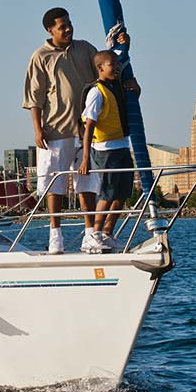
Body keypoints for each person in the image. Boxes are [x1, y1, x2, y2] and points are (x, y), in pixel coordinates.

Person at [23, 7, 138, 254]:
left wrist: (123, 49)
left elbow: (106, 66)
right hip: (55, 129)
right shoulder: (40, 56)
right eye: (62, 27)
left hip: (86, 130)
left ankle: (90, 234)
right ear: (50, 30)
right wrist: (37, 129)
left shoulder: (85, 49)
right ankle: (55, 236)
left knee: (87, 183)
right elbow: (34, 96)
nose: (68, 29)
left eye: (69, 24)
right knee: (55, 184)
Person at [80, 50, 134, 253]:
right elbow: (89, 127)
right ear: (100, 68)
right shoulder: (96, 92)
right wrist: (86, 158)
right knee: (107, 193)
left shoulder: (117, 87)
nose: (117, 68)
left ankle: (107, 234)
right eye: (112, 64)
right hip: (106, 151)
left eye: (117, 64)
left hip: (122, 146)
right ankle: (93, 235)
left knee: (122, 193)